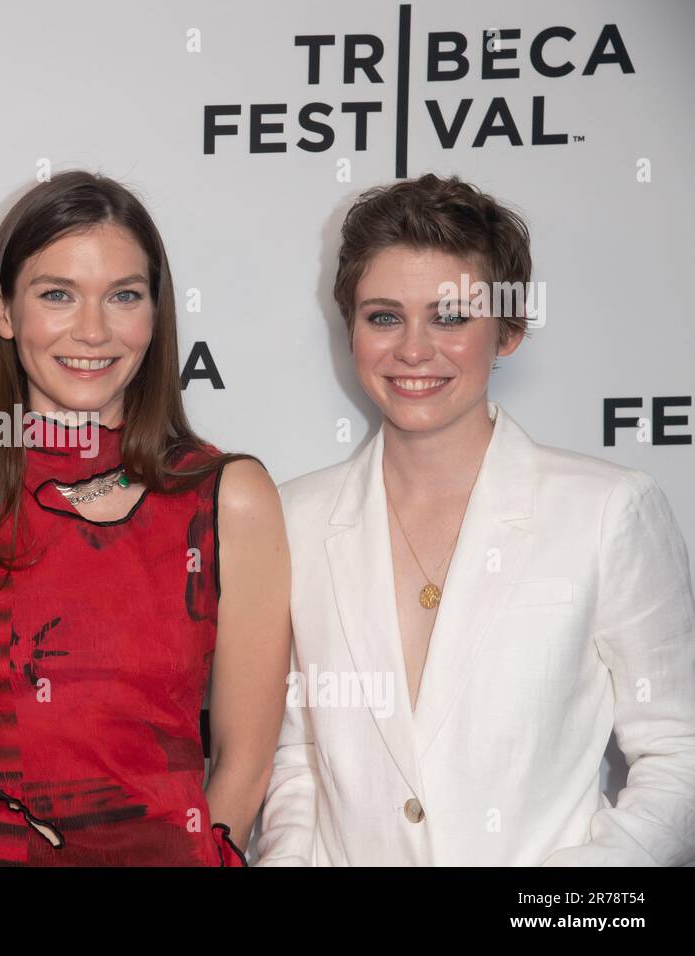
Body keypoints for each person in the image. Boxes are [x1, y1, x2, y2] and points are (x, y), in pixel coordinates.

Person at [257, 173, 695, 866]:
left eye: (451, 316)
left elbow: (681, 752)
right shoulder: (292, 518)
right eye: (384, 316)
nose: (413, 349)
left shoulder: (606, 510)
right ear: (351, 330)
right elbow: (296, 754)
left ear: (510, 329)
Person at [0, 170, 291, 866]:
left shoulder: (228, 497)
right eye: (57, 295)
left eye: (124, 296)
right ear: (5, 313)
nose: (92, 330)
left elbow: (245, 766)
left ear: (155, 317)